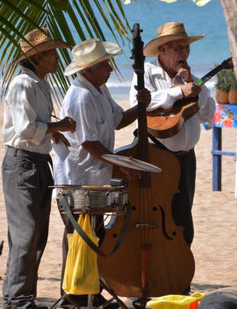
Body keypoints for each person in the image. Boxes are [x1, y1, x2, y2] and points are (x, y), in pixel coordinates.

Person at [53, 38, 151, 308]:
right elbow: (89, 143)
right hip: (78, 178)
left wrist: (141, 106)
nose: (110, 70)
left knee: (93, 233)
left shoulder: (99, 90)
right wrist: (122, 167)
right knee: (77, 235)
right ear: (89, 70)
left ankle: (88, 291)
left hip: (94, 176)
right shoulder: (81, 97)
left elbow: (119, 120)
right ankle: (72, 294)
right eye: (105, 66)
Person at [2, 28, 76, 309]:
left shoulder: (38, 83)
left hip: (35, 162)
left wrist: (53, 132)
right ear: (40, 57)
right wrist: (59, 127)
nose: (57, 58)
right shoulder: (24, 84)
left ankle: (22, 297)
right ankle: (18, 300)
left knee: (36, 235)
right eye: (53, 53)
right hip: (22, 163)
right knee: (26, 233)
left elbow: (34, 126)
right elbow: (25, 128)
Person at [130, 21, 216, 248]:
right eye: (178, 47)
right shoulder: (146, 73)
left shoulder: (191, 78)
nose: (184, 52)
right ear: (163, 50)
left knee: (183, 220)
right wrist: (177, 91)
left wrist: (193, 87)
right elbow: (138, 104)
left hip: (186, 158)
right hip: (157, 156)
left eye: (186, 47)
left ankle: (179, 276)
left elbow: (208, 115)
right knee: (158, 217)